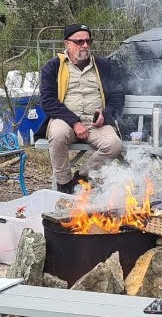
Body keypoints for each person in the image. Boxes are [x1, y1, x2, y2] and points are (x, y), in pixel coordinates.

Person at [39, 23, 125, 193]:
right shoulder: (53, 67)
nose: (85, 45)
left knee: (114, 145)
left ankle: (82, 177)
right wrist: (74, 122)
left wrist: (106, 115)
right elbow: (48, 100)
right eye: (79, 42)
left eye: (87, 41)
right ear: (67, 44)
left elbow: (117, 95)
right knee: (57, 135)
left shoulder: (103, 65)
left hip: (95, 124)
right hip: (65, 120)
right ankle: (64, 184)